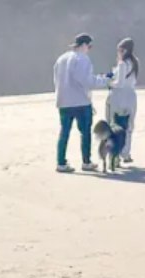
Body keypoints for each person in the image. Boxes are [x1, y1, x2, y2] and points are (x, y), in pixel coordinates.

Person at [53, 33, 110, 173]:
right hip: (80, 101)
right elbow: (87, 81)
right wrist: (105, 79)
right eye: (89, 46)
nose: (89, 49)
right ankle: (86, 162)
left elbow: (56, 80)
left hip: (63, 101)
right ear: (84, 45)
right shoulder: (82, 59)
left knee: (64, 132)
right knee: (85, 132)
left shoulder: (61, 59)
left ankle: (61, 162)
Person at [105, 38, 138, 164]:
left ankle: (115, 155)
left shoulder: (122, 63)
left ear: (123, 50)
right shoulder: (135, 63)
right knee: (128, 125)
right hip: (131, 96)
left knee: (113, 124)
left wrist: (109, 83)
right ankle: (126, 153)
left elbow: (119, 83)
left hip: (118, 96)